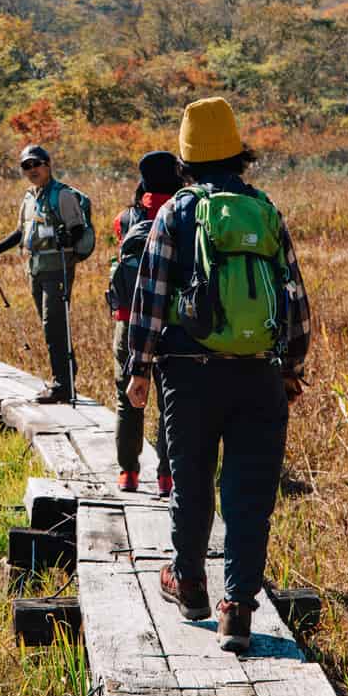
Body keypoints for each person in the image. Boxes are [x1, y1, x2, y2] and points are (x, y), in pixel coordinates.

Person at [124, 97, 311, 652]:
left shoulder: (176, 213)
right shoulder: (265, 211)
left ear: (186, 158)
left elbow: (150, 297)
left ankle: (189, 584)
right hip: (258, 372)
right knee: (249, 494)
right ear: (238, 154)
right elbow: (294, 296)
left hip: (188, 374)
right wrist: (291, 366)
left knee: (192, 481)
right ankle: (238, 609)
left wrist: (140, 368)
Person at [0, 145, 88, 403]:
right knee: (50, 326)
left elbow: (78, 230)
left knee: (54, 326)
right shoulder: (29, 197)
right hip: (35, 270)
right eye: (26, 166)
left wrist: (66, 237)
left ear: (48, 165)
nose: (31, 170)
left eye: (36, 164)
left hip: (58, 268)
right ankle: (63, 381)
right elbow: (20, 233)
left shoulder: (63, 195)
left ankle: (62, 385)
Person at [108, 151, 179, 495]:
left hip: (127, 320)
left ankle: (128, 473)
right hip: (173, 320)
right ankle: (166, 476)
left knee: (129, 397)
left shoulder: (124, 219)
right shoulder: (185, 216)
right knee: (169, 399)